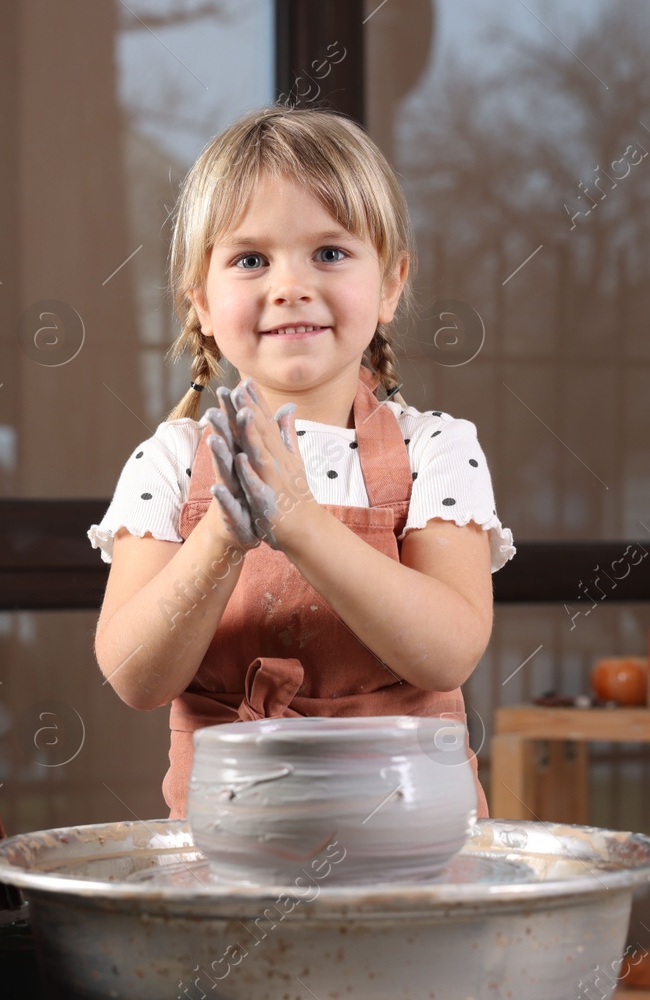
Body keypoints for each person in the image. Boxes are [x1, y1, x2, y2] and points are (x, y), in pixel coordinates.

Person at [89, 105, 514, 819]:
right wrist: (225, 533)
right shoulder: (169, 460)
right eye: (250, 259)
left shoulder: (436, 450)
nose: (290, 285)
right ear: (201, 301)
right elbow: (137, 675)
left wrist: (298, 519)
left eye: (330, 253)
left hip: (413, 854)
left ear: (391, 284)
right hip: (226, 863)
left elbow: (447, 653)